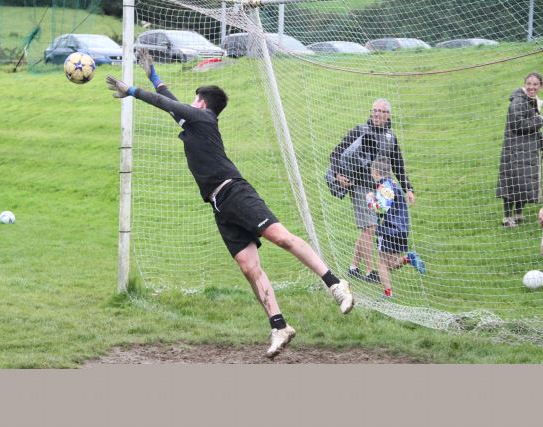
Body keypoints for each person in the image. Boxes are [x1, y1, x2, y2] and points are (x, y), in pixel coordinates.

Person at [106, 50, 354, 358]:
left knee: (281, 238)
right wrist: (153, 75)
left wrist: (131, 90)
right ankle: (279, 326)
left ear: (202, 104)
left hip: (235, 192)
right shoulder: (195, 121)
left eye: (194, 99)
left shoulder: (203, 118)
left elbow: (167, 104)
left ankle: (335, 284)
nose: (189, 103)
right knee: (249, 267)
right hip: (219, 205)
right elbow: (171, 104)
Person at [330, 99, 415, 284]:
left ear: (388, 115)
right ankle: (370, 272)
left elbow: (398, 166)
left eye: (380, 111)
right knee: (370, 227)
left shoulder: (391, 138)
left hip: (381, 188)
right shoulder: (359, 131)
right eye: (374, 110)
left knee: (367, 229)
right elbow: (335, 153)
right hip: (359, 185)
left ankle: (353, 267)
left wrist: (408, 188)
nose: (376, 114)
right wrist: (338, 174)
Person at [366, 158, 425, 298]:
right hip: (402, 229)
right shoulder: (394, 184)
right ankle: (408, 258)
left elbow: (380, 208)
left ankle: (388, 295)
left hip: (389, 229)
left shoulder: (385, 186)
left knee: (381, 263)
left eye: (371, 171)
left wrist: (370, 199)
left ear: (375, 172)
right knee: (391, 263)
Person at [496, 72, 543, 228]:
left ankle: (518, 214)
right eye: (529, 83)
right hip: (514, 149)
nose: (531, 87)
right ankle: (507, 218)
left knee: (522, 181)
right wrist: (540, 120)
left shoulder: (531, 101)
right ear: (524, 84)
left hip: (526, 149)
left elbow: (532, 128)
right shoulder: (518, 101)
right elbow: (518, 124)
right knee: (511, 182)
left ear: (540, 86)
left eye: (535, 84)